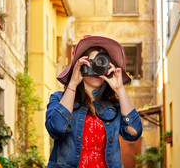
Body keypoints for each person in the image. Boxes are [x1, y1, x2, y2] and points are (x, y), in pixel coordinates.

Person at [45, 35, 143, 168]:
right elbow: (56, 128)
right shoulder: (59, 98)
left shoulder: (114, 106)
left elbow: (134, 132)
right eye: (93, 62)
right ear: (80, 66)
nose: (98, 67)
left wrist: (120, 89)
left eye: (102, 62)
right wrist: (73, 84)